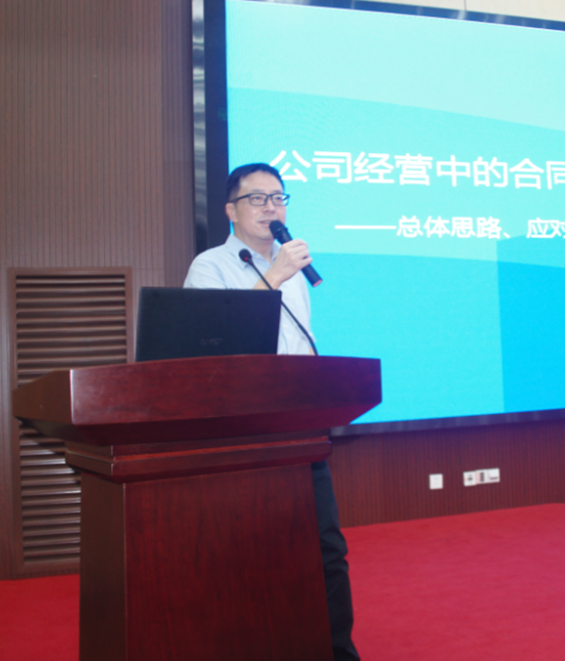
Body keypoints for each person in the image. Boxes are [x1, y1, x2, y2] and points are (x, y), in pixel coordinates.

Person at [184, 163, 359, 661]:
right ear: (230, 210)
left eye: (278, 198)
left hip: (300, 424)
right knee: (252, 553)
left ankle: (337, 652)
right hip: (241, 433)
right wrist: (276, 275)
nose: (271, 207)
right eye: (257, 198)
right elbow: (218, 344)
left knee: (326, 549)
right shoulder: (209, 267)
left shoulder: (294, 271)